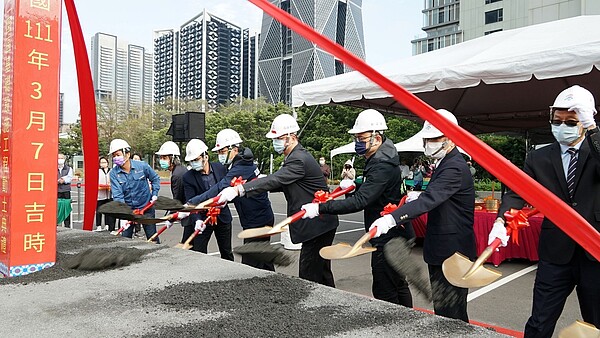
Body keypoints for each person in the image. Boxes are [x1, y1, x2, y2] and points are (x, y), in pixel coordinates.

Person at [488, 85, 600, 337]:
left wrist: (593, 129)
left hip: (594, 251)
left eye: (571, 122)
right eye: (557, 120)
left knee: (596, 321)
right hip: (555, 251)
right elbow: (518, 191)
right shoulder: (538, 158)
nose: (562, 126)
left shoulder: (596, 150)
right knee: (540, 321)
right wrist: (501, 221)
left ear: (585, 120)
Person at [369, 109, 476, 322]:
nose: (428, 143)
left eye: (433, 139)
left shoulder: (454, 166)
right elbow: (437, 195)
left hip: (452, 251)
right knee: (444, 310)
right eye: (426, 139)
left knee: (451, 315)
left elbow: (430, 200)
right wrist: (418, 195)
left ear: (451, 139)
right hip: (443, 248)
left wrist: (392, 218)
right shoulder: (446, 163)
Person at [300, 109, 415, 306]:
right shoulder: (383, 158)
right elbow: (373, 191)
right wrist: (355, 186)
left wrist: (321, 208)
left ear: (377, 138)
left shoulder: (381, 164)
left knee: (385, 288)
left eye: (361, 139)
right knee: (397, 284)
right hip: (396, 231)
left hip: (388, 236)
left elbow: (361, 201)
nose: (357, 143)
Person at [217, 114, 340, 286]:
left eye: (279, 138)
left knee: (309, 274)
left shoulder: (298, 159)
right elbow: (280, 183)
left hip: (318, 224)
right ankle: (331, 304)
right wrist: (251, 185)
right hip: (321, 223)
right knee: (321, 272)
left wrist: (240, 189)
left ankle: (317, 308)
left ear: (292, 137)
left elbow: (277, 179)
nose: (276, 142)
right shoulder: (295, 157)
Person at [188, 129, 275, 270]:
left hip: (257, 220)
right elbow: (237, 192)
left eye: (222, 152)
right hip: (258, 217)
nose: (220, 156)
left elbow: (219, 188)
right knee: (263, 261)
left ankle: (258, 290)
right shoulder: (241, 163)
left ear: (234, 149)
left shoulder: (241, 166)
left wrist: (193, 202)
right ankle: (274, 287)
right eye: (218, 152)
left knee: (251, 265)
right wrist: (223, 202)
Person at [181, 139, 234, 261]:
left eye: (196, 159)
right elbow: (191, 201)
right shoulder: (188, 177)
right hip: (203, 219)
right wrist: (197, 220)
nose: (194, 163)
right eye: (192, 161)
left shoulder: (220, 168)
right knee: (199, 253)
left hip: (222, 217)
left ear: (206, 156)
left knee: (226, 252)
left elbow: (228, 189)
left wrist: (225, 201)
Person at [108, 139, 161, 242]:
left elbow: (155, 179)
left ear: (127, 154)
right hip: (129, 211)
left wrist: (154, 194)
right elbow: (118, 196)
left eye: (117, 155)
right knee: (125, 239)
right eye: (113, 156)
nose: (115, 158)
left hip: (146, 208)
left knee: (152, 238)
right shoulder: (114, 173)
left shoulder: (142, 166)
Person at [95, 156, 116, 232]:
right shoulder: (97, 171)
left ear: (107, 163)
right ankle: (98, 225)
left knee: (108, 210)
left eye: (105, 162)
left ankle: (107, 224)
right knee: (99, 210)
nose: (103, 164)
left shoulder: (112, 171)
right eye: (101, 162)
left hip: (109, 193)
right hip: (100, 193)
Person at [57, 153, 73, 228]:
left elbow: (70, 178)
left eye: (61, 158)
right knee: (56, 208)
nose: (60, 160)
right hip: (56, 191)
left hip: (66, 191)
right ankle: (56, 224)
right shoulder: (53, 167)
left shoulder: (69, 168)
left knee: (66, 207)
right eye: (58, 158)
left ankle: (67, 225)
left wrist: (63, 180)